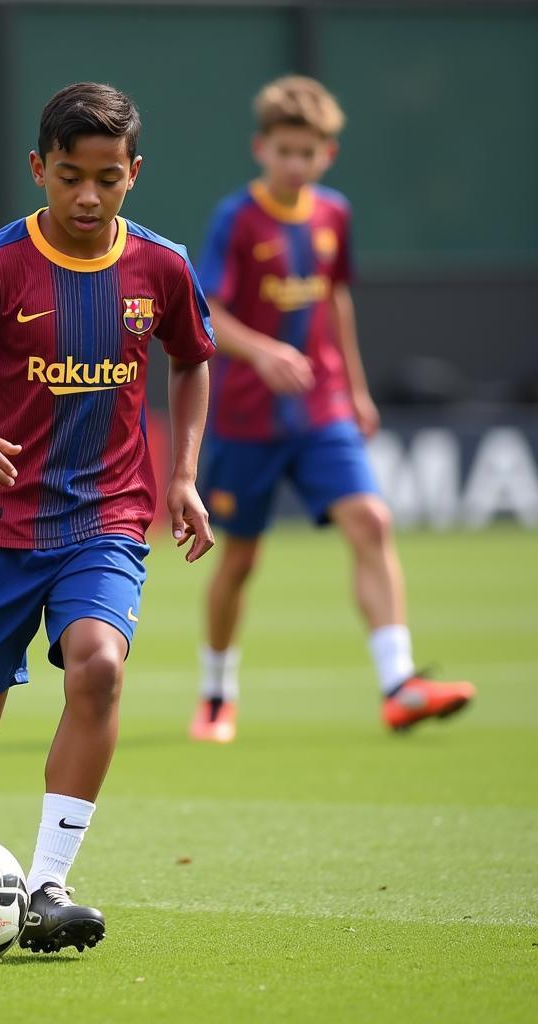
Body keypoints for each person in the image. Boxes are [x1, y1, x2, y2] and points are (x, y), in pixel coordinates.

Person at [0, 82, 216, 954]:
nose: (88, 196)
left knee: (98, 668)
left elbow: (192, 359)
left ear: (134, 173)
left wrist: (181, 475)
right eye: (69, 176)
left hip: (109, 516)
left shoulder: (162, 267)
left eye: (107, 177)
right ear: (40, 169)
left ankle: (46, 887)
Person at [188, 75, 475, 744]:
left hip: (321, 408)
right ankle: (215, 693)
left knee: (372, 520)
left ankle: (398, 684)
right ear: (261, 148)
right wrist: (260, 352)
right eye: (284, 149)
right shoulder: (237, 217)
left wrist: (357, 388)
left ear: (328, 155)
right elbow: (208, 311)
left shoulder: (333, 215)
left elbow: (336, 300)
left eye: (307, 151)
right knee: (240, 561)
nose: (295, 162)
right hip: (246, 415)